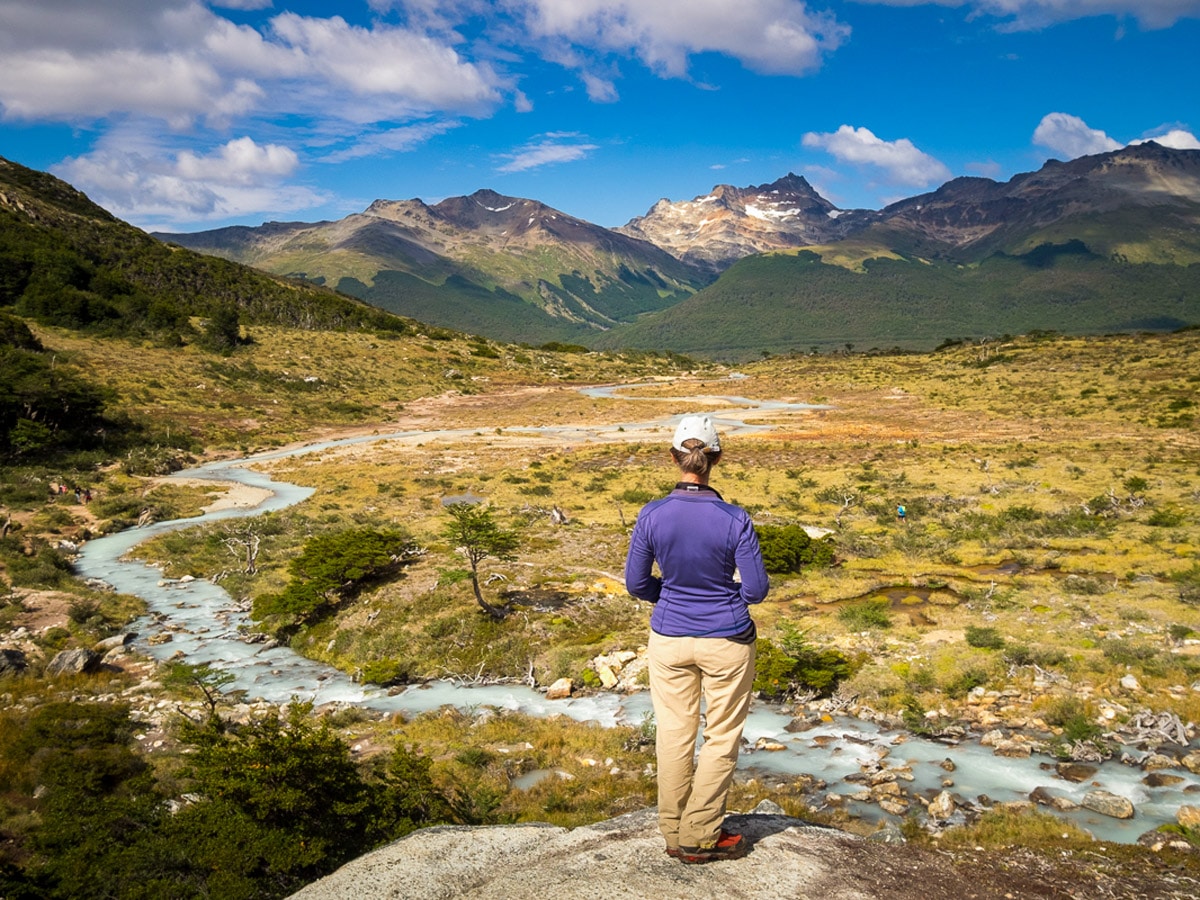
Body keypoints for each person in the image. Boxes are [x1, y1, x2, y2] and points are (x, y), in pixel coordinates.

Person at [624, 414, 769, 864]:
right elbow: (757, 590)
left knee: (673, 734)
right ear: (716, 459)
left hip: (668, 636)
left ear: (674, 458)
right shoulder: (734, 518)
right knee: (721, 737)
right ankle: (700, 834)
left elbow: (635, 583)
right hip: (726, 637)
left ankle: (673, 832)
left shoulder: (651, 514)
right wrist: (729, 598)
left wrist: (665, 596)